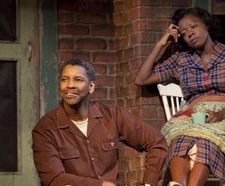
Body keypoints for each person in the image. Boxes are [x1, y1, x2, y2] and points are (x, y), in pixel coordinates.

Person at [134, 7, 225, 186]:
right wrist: (161, 44)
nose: (189, 34)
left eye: (193, 27)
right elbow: (141, 79)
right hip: (192, 115)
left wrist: (221, 115)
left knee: (206, 141)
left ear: (206, 24)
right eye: (184, 32)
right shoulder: (181, 60)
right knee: (179, 139)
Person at [32, 58, 168, 186]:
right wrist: (100, 185)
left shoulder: (112, 115)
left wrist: (149, 183)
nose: (70, 85)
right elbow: (54, 178)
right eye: (64, 80)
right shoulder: (45, 129)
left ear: (91, 87)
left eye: (78, 80)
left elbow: (156, 142)